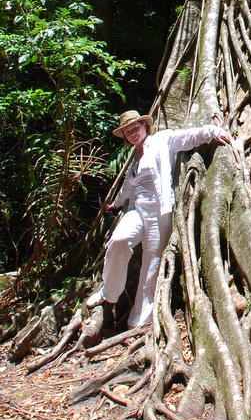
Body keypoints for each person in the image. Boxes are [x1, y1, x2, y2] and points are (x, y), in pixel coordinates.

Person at [86, 109, 230, 327]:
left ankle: (139, 318)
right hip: (136, 210)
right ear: (125, 137)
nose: (133, 133)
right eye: (128, 131)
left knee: (151, 264)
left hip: (159, 212)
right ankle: (109, 292)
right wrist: (116, 202)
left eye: (136, 128)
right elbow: (128, 186)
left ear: (145, 126)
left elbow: (189, 136)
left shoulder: (162, 140)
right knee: (118, 240)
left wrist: (213, 131)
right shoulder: (133, 158)